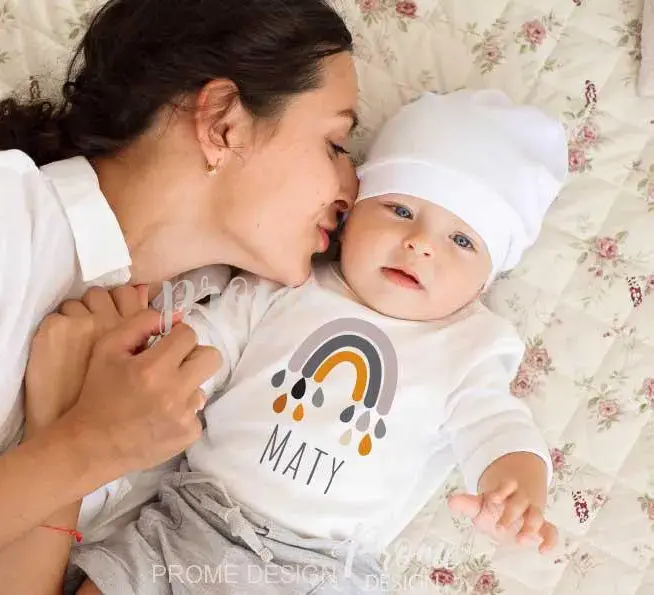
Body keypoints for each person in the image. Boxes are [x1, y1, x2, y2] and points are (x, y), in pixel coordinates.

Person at [0, 0, 358, 593]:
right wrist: (85, 445)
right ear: (223, 121)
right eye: (335, 144)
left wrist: (60, 432)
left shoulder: (215, 340)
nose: (353, 188)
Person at [71, 89, 568, 594]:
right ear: (352, 215)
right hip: (195, 521)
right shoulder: (285, 284)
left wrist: (516, 489)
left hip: (322, 570)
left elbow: (497, 426)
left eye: (461, 241)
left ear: (485, 280)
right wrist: (156, 358)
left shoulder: (468, 346)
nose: (419, 243)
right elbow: (209, 340)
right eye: (399, 209)